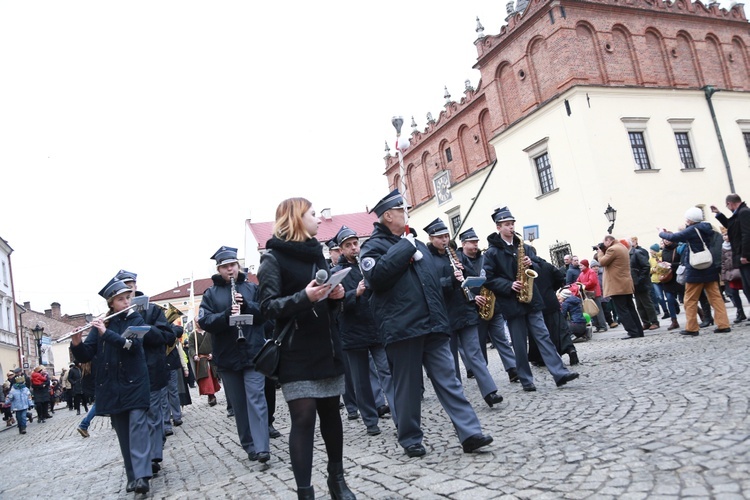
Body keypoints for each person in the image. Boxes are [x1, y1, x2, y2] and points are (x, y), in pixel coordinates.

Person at [359, 189, 493, 459]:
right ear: (388, 216)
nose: (407, 214)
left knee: (450, 381)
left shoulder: (418, 246)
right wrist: (405, 248)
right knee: (407, 389)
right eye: (402, 210)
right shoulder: (373, 247)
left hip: (433, 326)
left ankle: (470, 433)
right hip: (403, 329)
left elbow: (431, 283)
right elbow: (377, 277)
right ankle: (410, 437)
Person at [257, 198, 355, 500]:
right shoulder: (272, 258)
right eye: (312, 214)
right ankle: (305, 492)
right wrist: (304, 297)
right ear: (297, 219)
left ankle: (336, 480)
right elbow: (267, 307)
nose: (317, 218)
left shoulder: (318, 254)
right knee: (303, 418)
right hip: (295, 351)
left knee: (331, 413)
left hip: (326, 346)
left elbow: (328, 301)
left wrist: (336, 295)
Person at [70, 278, 152, 494]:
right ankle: (132, 476)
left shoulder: (137, 318)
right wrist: (77, 342)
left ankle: (143, 476)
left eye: (128, 298)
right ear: (111, 303)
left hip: (134, 383)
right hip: (112, 387)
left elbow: (131, 345)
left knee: (137, 428)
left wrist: (107, 334)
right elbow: (87, 354)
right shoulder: (102, 324)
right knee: (123, 433)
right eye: (121, 299)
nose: (126, 302)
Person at [483, 206, 579, 391]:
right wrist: (509, 285)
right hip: (512, 302)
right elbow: (488, 278)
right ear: (498, 227)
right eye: (506, 225)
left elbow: (538, 266)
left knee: (543, 336)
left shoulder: (524, 247)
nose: (511, 227)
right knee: (519, 343)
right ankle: (526, 380)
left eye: (512, 224)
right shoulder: (492, 253)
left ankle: (559, 373)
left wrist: (531, 262)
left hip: (531, 299)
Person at [198, 246, 271, 464]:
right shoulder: (210, 294)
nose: (230, 270)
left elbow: (266, 313)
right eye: (225, 267)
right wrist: (225, 315)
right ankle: (249, 444)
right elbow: (204, 321)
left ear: (239, 266)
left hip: (253, 352)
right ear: (219, 269)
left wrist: (247, 305)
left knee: (257, 398)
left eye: (233, 265)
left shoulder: (251, 288)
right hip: (227, 356)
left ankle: (262, 447)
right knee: (239, 405)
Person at [423, 218, 504, 408]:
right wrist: (451, 279)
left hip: (465, 311)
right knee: (449, 360)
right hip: (445, 314)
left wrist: (467, 276)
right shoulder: (427, 260)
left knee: (474, 353)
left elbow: (467, 279)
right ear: (431, 238)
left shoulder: (454, 256)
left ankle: (490, 392)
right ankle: (458, 398)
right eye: (440, 237)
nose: (444, 240)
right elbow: (432, 287)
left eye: (446, 236)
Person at [331, 225, 396, 436]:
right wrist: (355, 294)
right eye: (348, 245)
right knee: (361, 381)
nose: (354, 248)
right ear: (341, 250)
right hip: (352, 331)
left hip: (375, 326)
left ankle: (399, 416)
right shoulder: (336, 273)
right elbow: (336, 307)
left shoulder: (367, 263)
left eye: (355, 243)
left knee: (387, 372)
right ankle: (370, 421)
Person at [115, 269, 174, 474]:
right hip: (129, 374)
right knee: (138, 419)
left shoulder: (152, 309)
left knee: (154, 414)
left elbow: (167, 336)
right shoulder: (113, 316)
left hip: (152, 369)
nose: (129, 288)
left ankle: (154, 455)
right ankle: (144, 458)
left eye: (131, 284)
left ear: (136, 286)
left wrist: (143, 328)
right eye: (123, 284)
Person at [456, 227, 518, 384]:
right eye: (472, 242)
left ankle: (512, 369)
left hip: (492, 304)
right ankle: (483, 374)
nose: (476, 245)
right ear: (463, 244)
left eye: (476, 241)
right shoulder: (458, 261)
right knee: (478, 344)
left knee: (501, 339)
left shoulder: (485, 257)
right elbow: (458, 285)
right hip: (473, 308)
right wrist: (473, 297)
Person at [659, 207, 731, 335]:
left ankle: (692, 327)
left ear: (691, 219)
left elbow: (674, 237)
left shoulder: (692, 230)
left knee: (690, 299)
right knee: (716, 298)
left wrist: (661, 232)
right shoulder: (707, 228)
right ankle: (723, 324)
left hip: (695, 268)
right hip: (709, 266)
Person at [596, 235, 644, 339]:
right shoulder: (622, 247)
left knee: (622, 310)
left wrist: (599, 252)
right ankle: (638, 331)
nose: (603, 244)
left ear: (609, 241)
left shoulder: (613, 249)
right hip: (625, 283)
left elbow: (602, 262)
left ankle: (632, 332)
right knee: (630, 308)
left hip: (617, 285)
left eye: (604, 242)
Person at [711, 193, 750, 317]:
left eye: (727, 206)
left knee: (749, 286)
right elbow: (732, 227)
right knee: (747, 287)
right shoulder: (739, 213)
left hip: (744, 257)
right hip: (740, 256)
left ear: (730, 203)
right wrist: (719, 214)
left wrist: (745, 255)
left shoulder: (744, 212)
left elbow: (746, 234)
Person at [187, 321, 221, 407]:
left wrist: (212, 354)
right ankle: (211, 396)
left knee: (213, 377)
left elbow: (215, 344)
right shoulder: (192, 335)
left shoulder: (209, 332)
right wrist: (194, 355)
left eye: (199, 321)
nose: (198, 323)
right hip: (201, 360)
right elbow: (191, 347)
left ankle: (212, 394)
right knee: (206, 379)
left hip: (210, 358)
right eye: (197, 322)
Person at [629, 237, 659, 330]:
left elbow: (646, 266)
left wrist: (640, 278)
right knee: (639, 305)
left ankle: (654, 322)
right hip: (634, 283)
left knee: (647, 303)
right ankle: (645, 322)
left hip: (642, 282)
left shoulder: (637, 253)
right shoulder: (628, 255)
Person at [659, 239, 683, 331]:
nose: (666, 241)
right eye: (664, 240)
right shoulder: (664, 250)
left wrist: (671, 264)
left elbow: (682, 262)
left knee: (687, 299)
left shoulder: (678, 248)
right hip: (668, 277)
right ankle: (674, 321)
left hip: (678, 276)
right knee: (669, 299)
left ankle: (700, 314)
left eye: (668, 239)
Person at [578, 259, 607, 333]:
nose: (580, 267)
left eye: (581, 265)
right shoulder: (581, 274)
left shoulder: (591, 272)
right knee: (591, 311)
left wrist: (582, 284)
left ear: (585, 265)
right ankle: (597, 326)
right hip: (588, 294)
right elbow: (577, 282)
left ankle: (603, 326)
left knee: (598, 310)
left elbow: (592, 282)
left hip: (595, 294)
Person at [648, 244, 670, 320]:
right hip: (655, 280)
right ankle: (665, 311)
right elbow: (649, 269)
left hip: (664, 279)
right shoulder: (650, 259)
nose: (650, 251)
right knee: (660, 297)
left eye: (651, 250)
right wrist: (652, 270)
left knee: (669, 296)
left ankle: (675, 307)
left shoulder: (662, 257)